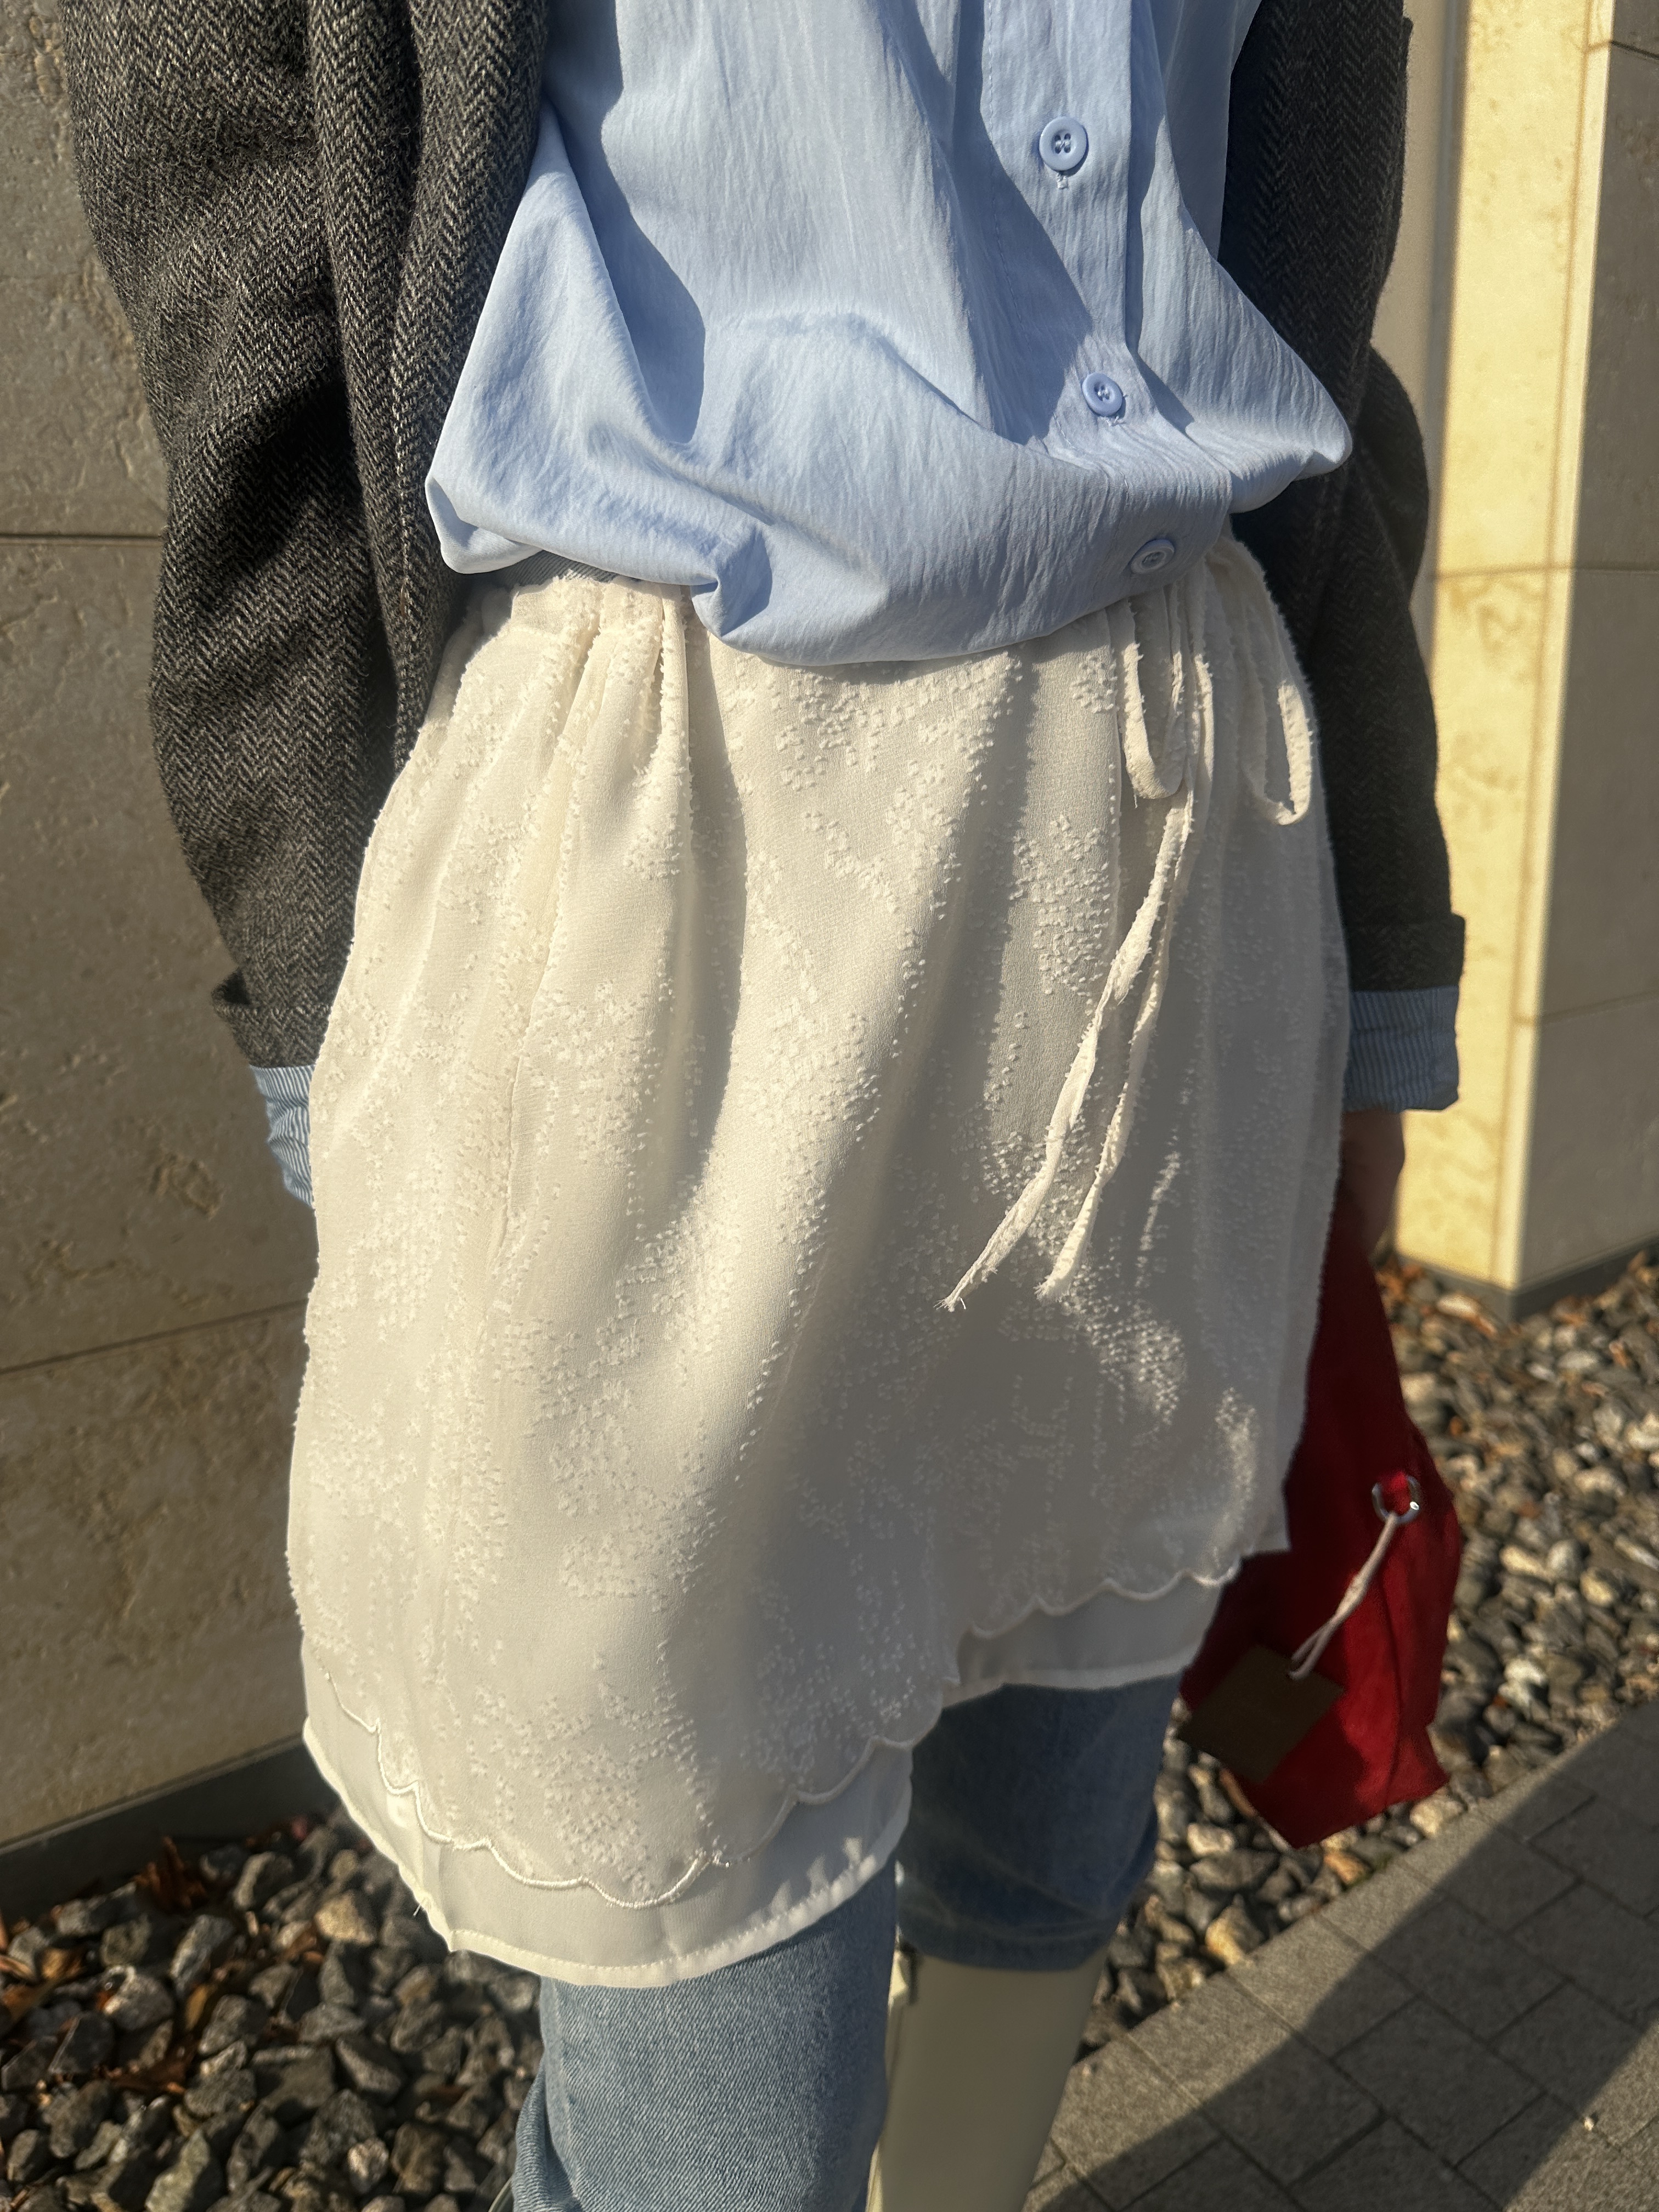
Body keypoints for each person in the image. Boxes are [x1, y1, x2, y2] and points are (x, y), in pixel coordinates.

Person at [64, 2, 1463, 2207]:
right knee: (712, 2029)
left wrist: (1377, 962)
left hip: (1170, 857)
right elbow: (253, 310)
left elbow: (1313, 337)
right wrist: (338, 995)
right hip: (658, 868)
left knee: (1050, 1835)